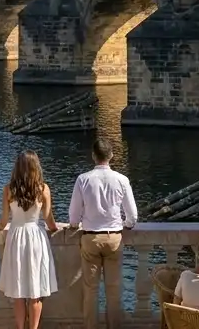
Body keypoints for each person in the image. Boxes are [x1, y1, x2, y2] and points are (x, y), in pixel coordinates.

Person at [69, 137, 138, 329]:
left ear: (93, 156)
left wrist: (74, 225)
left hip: (90, 237)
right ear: (112, 156)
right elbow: (132, 216)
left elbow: (74, 216)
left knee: (90, 290)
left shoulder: (83, 179)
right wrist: (126, 225)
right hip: (114, 237)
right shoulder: (122, 180)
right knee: (113, 290)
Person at [0, 151, 59, 329]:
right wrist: (54, 229)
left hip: (16, 237)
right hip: (36, 238)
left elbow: (4, 220)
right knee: (36, 291)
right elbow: (48, 218)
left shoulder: (9, 189)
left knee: (19, 291)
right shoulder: (43, 189)